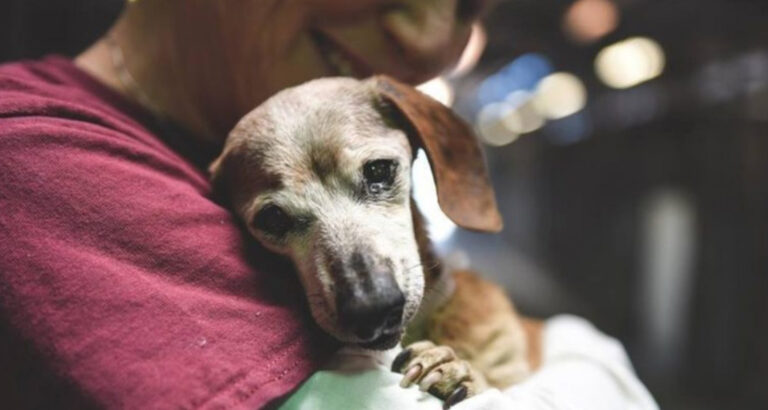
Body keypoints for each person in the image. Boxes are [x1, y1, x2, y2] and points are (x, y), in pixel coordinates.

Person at [0, 0, 657, 408]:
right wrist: (591, 357)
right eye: (279, 219)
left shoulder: (221, 158)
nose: (429, 38)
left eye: (467, 6)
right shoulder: (33, 153)